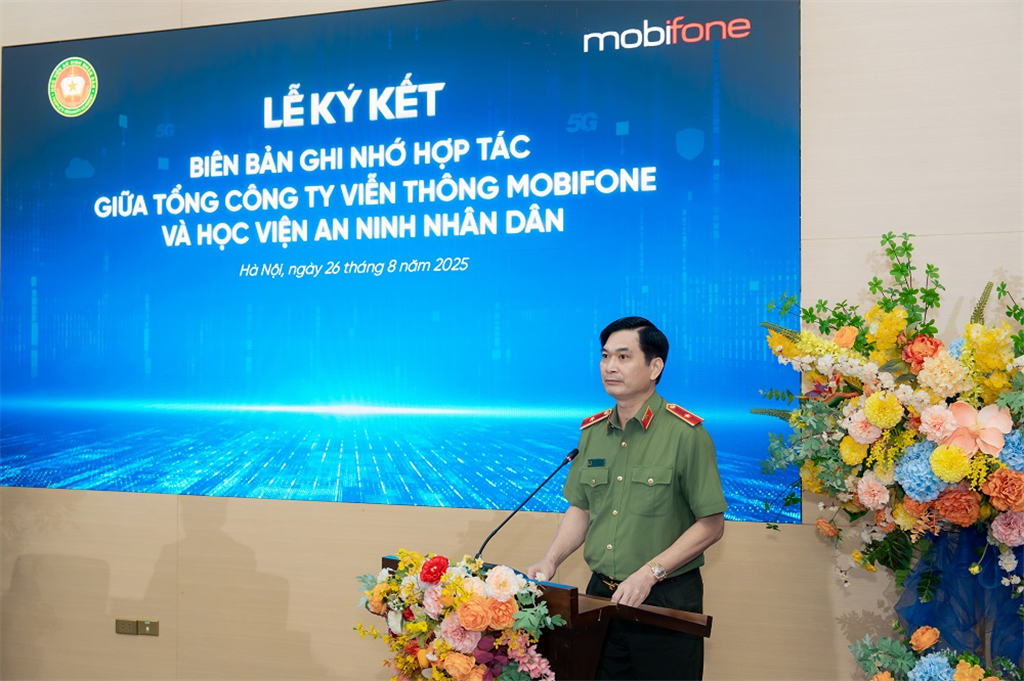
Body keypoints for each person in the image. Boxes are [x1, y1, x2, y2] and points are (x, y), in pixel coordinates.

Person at [526, 316, 727, 681]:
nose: (610, 367)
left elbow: (711, 525)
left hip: (664, 599)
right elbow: (581, 508)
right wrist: (550, 560)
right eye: (605, 356)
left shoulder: (686, 434)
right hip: (599, 597)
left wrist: (650, 574)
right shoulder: (592, 432)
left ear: (655, 367)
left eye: (623, 356)